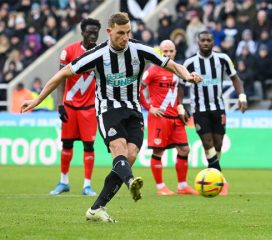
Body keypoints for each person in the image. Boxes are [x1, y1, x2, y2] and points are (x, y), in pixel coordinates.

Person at [21, 12, 202, 223]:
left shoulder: (139, 49)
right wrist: (38, 100)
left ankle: (96, 208)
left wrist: (187, 75)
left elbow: (171, 64)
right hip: (108, 109)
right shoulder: (96, 55)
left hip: (133, 110)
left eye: (127, 33)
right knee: (119, 150)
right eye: (120, 33)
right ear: (109, 32)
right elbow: (61, 75)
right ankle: (131, 181)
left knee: (130, 155)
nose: (124, 38)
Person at [178, 31, 247, 196]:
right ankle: (220, 179)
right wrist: (180, 106)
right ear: (197, 41)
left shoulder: (222, 59)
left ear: (213, 42)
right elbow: (180, 85)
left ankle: (214, 173)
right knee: (206, 141)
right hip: (199, 109)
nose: (206, 43)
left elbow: (235, 78)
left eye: (209, 40)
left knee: (218, 143)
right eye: (203, 40)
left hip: (218, 107)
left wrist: (242, 96)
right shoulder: (190, 62)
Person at [49, 18, 101, 196]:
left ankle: (87, 185)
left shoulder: (102, 52)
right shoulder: (69, 51)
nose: (93, 35)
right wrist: (60, 103)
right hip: (70, 106)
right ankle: (63, 181)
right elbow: (60, 77)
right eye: (89, 31)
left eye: (96, 31)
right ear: (82, 32)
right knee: (67, 144)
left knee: (89, 146)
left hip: (90, 108)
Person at [139, 40, 198, 196]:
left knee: (184, 149)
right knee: (158, 151)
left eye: (170, 51)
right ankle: (160, 187)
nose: (168, 54)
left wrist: (180, 105)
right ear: (159, 52)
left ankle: (182, 186)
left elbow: (180, 88)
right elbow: (137, 90)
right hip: (160, 117)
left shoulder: (177, 70)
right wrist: (149, 108)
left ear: (175, 52)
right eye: (164, 51)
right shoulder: (152, 71)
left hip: (176, 118)